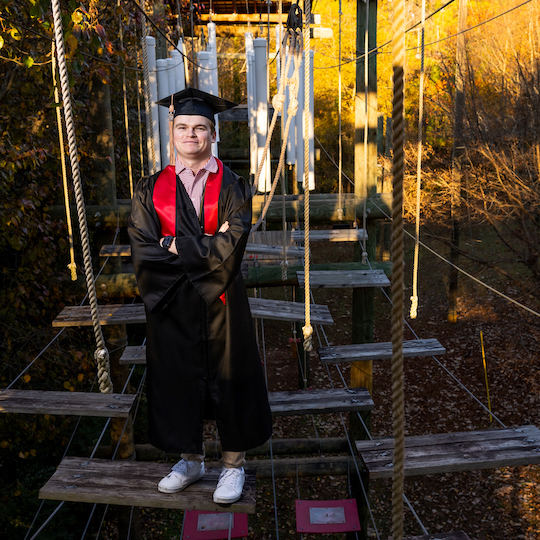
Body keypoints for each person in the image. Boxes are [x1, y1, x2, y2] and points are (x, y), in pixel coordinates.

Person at [128, 87, 272, 504]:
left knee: (231, 379)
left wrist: (176, 244)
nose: (191, 135)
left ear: (213, 135)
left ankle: (232, 466)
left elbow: (233, 245)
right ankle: (190, 460)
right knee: (176, 377)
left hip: (224, 302)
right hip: (171, 303)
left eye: (200, 128)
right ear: (172, 132)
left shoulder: (234, 186)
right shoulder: (149, 189)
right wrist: (205, 246)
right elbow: (145, 248)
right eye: (183, 127)